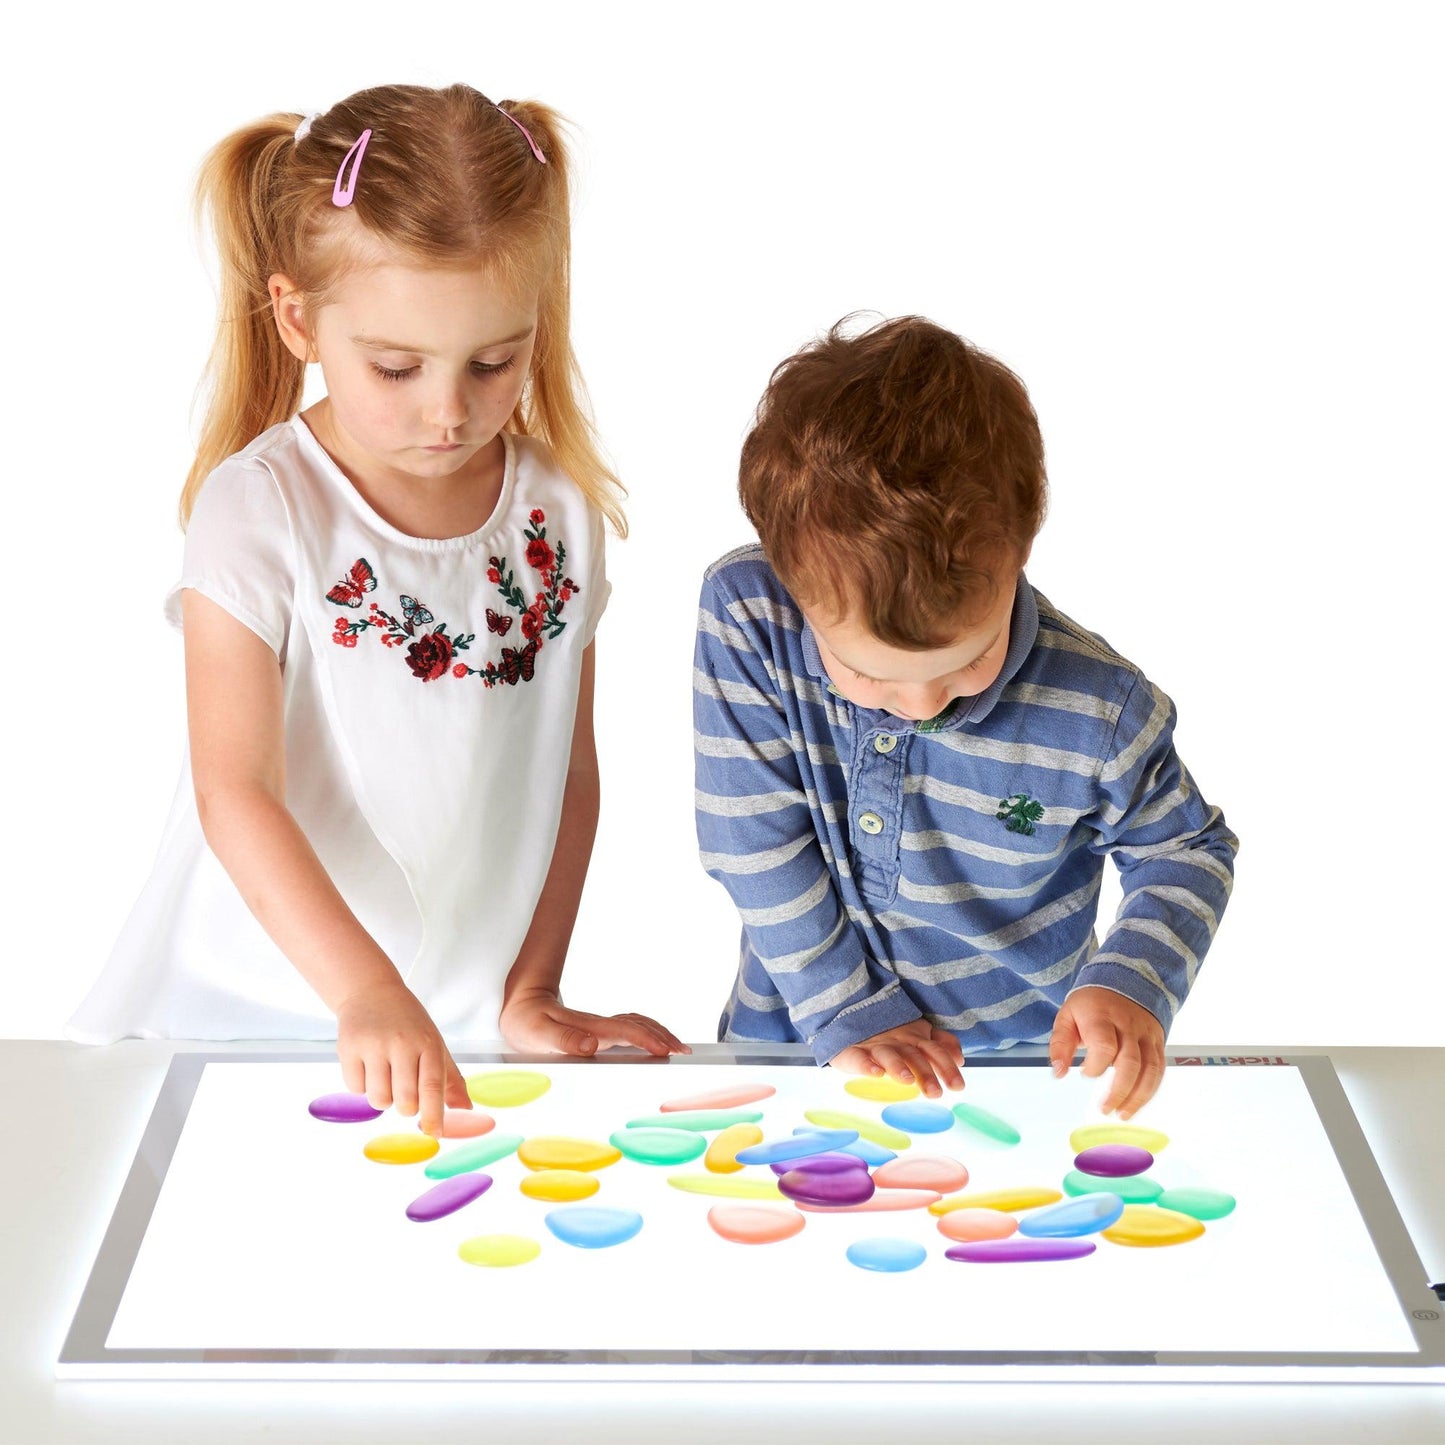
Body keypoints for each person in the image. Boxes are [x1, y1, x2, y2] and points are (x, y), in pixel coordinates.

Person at [66, 83, 687, 1130]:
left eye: (494, 361)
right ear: (298, 317)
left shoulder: (558, 509)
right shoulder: (260, 509)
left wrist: (528, 987)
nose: (449, 410)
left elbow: (567, 774)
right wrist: (364, 990)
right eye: (395, 367)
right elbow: (237, 793)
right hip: (253, 1020)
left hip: (450, 1036)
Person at [693, 315, 1237, 1120]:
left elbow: (1187, 848)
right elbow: (752, 840)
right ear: (791, 584)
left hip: (1012, 1074)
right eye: (868, 673)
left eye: (966, 660)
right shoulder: (749, 615)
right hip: (804, 1036)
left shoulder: (1100, 708)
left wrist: (1132, 980)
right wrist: (846, 1006)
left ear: (1018, 551)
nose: (922, 704)